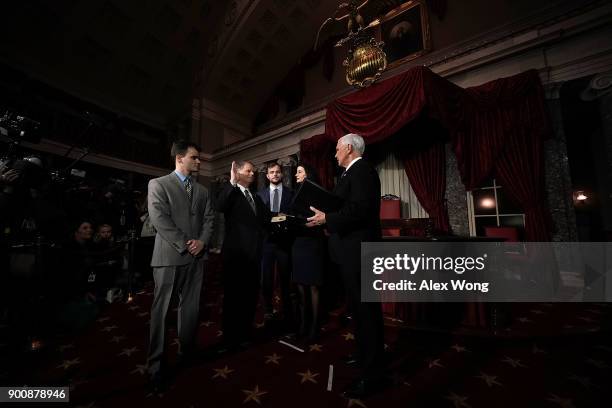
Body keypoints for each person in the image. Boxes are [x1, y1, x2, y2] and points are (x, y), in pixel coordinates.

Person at [306, 133, 386, 398]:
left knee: (367, 314)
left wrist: (327, 218)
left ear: (349, 148)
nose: (334, 153)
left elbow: (359, 211)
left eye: (338, 149)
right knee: (358, 311)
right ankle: (364, 356)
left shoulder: (362, 171)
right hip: (351, 253)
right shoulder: (352, 173)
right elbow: (347, 208)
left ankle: (373, 377)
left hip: (360, 253)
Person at [146, 140, 214, 393]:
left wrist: (203, 242)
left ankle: (187, 352)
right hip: (169, 257)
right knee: (162, 313)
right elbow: (159, 219)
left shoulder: (203, 190)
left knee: (191, 309)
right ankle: (155, 367)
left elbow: (209, 220)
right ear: (180, 158)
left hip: (196, 258)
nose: (198, 162)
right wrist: (186, 244)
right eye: (194, 158)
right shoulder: (158, 184)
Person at [216, 160, 270, 349]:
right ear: (237, 173)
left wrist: (292, 219)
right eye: (248, 171)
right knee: (233, 299)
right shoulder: (231, 192)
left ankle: (245, 333)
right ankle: (230, 338)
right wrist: (231, 182)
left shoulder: (255, 197)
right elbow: (221, 205)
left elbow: (268, 218)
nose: (252, 174)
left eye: (253, 171)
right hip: (236, 257)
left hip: (254, 256)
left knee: (250, 296)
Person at [256, 162, 295, 325]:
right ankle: (268, 309)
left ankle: (286, 309)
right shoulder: (259, 195)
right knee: (266, 278)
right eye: (272, 172)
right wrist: (277, 216)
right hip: (267, 242)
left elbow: (292, 216)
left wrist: (278, 218)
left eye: (278, 172)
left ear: (282, 174)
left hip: (285, 241)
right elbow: (259, 218)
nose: (275, 175)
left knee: (286, 277)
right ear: (267, 175)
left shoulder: (290, 193)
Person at [290, 163, 325, 343]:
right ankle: (303, 324)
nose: (296, 174)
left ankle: (314, 327)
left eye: (299, 171)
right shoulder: (295, 192)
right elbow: (293, 217)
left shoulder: (317, 192)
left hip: (313, 242)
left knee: (313, 286)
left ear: (308, 173)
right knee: (300, 287)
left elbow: (324, 216)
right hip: (298, 243)